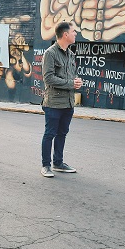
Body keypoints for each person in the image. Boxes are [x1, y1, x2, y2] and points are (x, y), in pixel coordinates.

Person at [40, 21, 82, 178]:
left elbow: (69, 76)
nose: (75, 34)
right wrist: (71, 83)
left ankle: (58, 163)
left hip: (68, 102)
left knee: (62, 133)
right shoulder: (50, 54)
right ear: (65, 34)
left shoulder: (71, 54)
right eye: (73, 31)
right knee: (50, 134)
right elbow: (48, 78)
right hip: (53, 103)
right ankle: (46, 165)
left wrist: (76, 81)